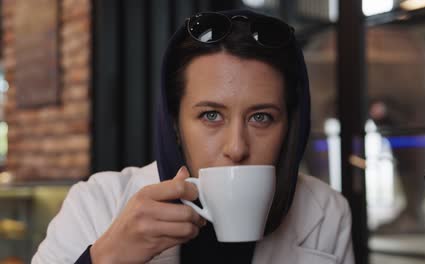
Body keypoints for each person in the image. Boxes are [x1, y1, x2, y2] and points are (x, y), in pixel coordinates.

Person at [32, 10, 354, 264]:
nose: (237, 148)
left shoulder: (324, 212)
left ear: (290, 129)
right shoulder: (96, 203)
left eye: (261, 117)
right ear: (174, 123)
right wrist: (104, 258)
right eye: (211, 115)